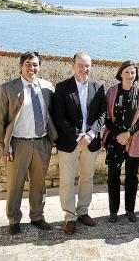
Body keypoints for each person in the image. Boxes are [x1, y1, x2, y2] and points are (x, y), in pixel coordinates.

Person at [0, 51, 58, 235]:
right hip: (18, 145)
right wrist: (3, 147)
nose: (32, 68)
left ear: (39, 67)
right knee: (15, 184)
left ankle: (37, 216)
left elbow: (51, 114)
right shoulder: (7, 89)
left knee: (39, 183)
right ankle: (14, 219)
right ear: (21, 66)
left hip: (42, 143)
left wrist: (52, 141)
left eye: (35, 64)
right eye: (28, 64)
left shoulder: (47, 87)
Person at [53, 52, 106, 234]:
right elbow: (59, 117)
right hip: (69, 142)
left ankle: (83, 211)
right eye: (81, 65)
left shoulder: (98, 87)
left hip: (90, 142)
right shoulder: (61, 88)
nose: (85, 69)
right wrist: (78, 136)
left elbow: (102, 115)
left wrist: (90, 134)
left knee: (87, 178)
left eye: (88, 66)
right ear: (73, 65)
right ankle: (70, 217)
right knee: (67, 181)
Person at [103, 61, 139, 223]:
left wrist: (128, 134)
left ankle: (130, 209)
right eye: (127, 72)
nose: (130, 75)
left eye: (133, 72)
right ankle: (113, 211)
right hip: (115, 141)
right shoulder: (112, 91)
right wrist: (118, 135)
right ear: (121, 73)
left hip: (134, 139)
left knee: (132, 176)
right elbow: (107, 118)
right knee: (113, 176)